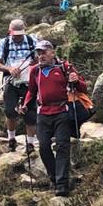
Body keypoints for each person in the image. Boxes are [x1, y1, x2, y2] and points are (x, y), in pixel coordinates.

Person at [19, 40, 89, 196]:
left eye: (44, 52)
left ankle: (62, 185)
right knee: (44, 147)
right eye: (38, 53)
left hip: (62, 111)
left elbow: (83, 87)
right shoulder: (35, 70)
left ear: (52, 52)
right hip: (43, 113)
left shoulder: (64, 68)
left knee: (62, 146)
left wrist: (75, 80)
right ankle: (54, 178)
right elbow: (31, 90)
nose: (41, 56)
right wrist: (25, 105)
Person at [0, 18, 38, 152]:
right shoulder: (4, 43)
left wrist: (33, 64)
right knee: (9, 111)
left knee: (30, 113)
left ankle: (30, 144)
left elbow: (39, 59)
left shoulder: (32, 41)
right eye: (15, 34)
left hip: (29, 82)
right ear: (10, 32)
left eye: (20, 34)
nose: (18, 37)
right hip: (11, 82)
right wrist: (9, 69)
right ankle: (11, 138)